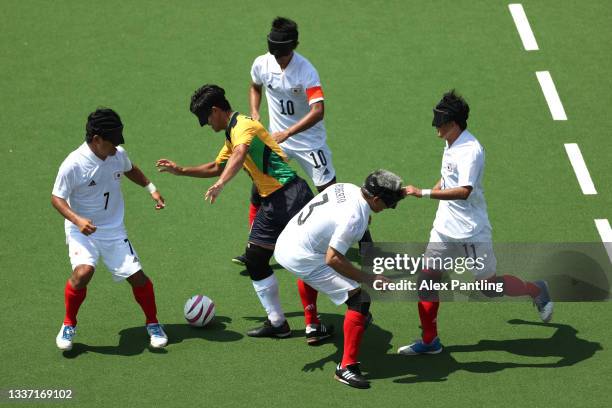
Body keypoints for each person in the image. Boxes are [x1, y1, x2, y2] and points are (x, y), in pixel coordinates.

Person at [398, 90, 554, 356]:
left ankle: (535, 288)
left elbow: (464, 190)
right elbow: (448, 180)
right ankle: (430, 341)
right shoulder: (450, 142)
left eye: (440, 121)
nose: (435, 125)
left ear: (454, 123)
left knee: (489, 288)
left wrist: (422, 192)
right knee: (426, 281)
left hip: (471, 232)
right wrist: (427, 190)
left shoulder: (471, 151)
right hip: (444, 229)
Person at [156, 84, 315, 338]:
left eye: (206, 118)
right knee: (256, 260)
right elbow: (216, 166)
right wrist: (182, 170)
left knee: (313, 256)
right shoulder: (231, 133)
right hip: (273, 201)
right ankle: (278, 324)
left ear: (216, 110)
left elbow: (239, 155)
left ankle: (354, 300)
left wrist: (221, 184)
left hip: (290, 195)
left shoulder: (243, 126)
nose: (207, 124)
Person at [234, 16, 373, 265]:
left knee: (332, 195)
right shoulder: (262, 64)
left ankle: (366, 241)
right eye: (274, 54)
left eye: (282, 54)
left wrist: (287, 133)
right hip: (276, 141)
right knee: (259, 190)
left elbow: (318, 110)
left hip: (310, 143)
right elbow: (255, 87)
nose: (278, 59)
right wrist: (255, 112)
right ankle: (254, 249)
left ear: (292, 47)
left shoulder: (306, 71)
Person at [275, 170, 404, 389]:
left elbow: (350, 224)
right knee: (360, 300)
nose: (390, 208)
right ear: (375, 199)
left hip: (287, 241)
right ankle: (346, 367)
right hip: (302, 257)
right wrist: (369, 278)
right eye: (389, 204)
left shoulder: (344, 187)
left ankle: (313, 326)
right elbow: (333, 259)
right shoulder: (354, 217)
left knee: (315, 267)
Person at [52, 108, 168, 351]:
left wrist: (151, 189)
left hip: (113, 229)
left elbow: (130, 169)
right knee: (83, 273)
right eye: (112, 142)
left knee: (138, 277)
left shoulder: (116, 154)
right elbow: (57, 198)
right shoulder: (73, 164)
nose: (116, 147)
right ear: (96, 140)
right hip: (82, 230)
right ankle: (68, 323)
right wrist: (77, 220)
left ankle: (153, 323)